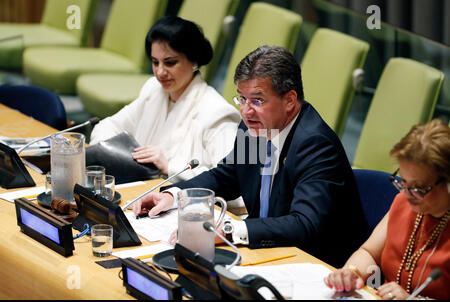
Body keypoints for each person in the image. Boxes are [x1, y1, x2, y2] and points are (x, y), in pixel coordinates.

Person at [133, 45, 368, 268]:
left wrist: (229, 230)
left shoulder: (314, 144)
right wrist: (175, 196)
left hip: (313, 265)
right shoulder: (256, 128)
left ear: (289, 100)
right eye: (242, 99)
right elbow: (228, 176)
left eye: (257, 100)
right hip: (266, 253)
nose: (245, 111)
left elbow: (304, 224)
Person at [89, 16, 240, 182]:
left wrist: (170, 166)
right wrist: (123, 156)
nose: (160, 72)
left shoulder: (217, 112)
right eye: (155, 62)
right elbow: (108, 126)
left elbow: (233, 181)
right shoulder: (153, 89)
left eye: (170, 63)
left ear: (194, 61)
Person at [324, 119, 450, 300]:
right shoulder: (403, 204)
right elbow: (369, 252)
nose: (407, 194)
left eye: (419, 188)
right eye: (403, 182)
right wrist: (352, 272)